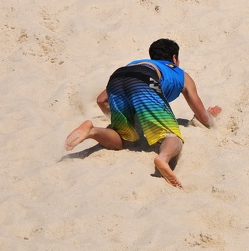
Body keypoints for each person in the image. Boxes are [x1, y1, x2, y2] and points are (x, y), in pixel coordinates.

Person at [64, 39, 222, 188]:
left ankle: (92, 131)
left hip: (118, 76)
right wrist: (210, 116)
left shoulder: (136, 64)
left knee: (122, 141)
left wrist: (122, 119)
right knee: (171, 136)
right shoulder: (180, 74)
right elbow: (202, 117)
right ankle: (163, 158)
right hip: (146, 80)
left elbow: (101, 100)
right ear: (175, 58)